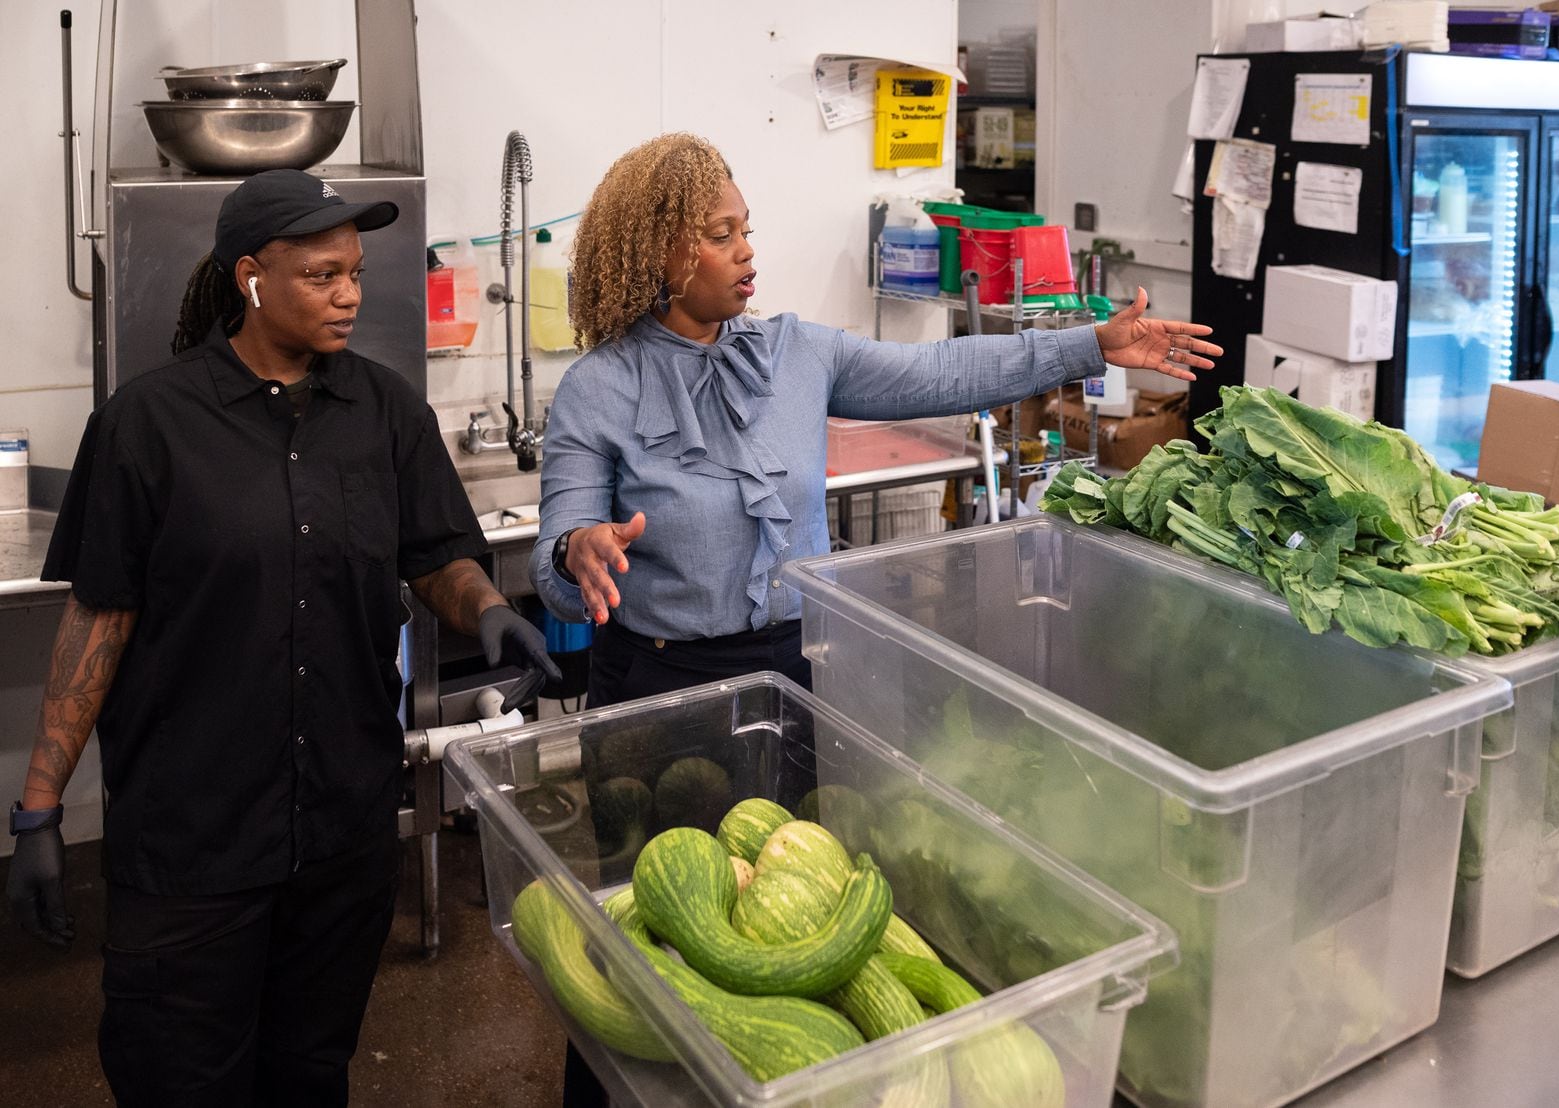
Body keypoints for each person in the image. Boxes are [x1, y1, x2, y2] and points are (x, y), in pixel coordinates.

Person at [4, 169, 560, 1106]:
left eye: (355, 272)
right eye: (322, 275)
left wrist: (487, 608)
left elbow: (435, 557)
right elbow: (98, 619)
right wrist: (39, 808)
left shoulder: (385, 412)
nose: (350, 294)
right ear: (251, 278)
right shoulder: (147, 426)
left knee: (309, 1071)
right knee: (181, 1080)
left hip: (341, 833)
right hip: (193, 843)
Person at [534, 132, 1219, 710]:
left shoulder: (798, 352)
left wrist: (1090, 344)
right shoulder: (597, 390)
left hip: (802, 667)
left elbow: (944, 372)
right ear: (661, 253)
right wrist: (577, 554)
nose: (747, 250)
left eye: (747, 230)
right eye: (722, 235)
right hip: (661, 686)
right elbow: (556, 567)